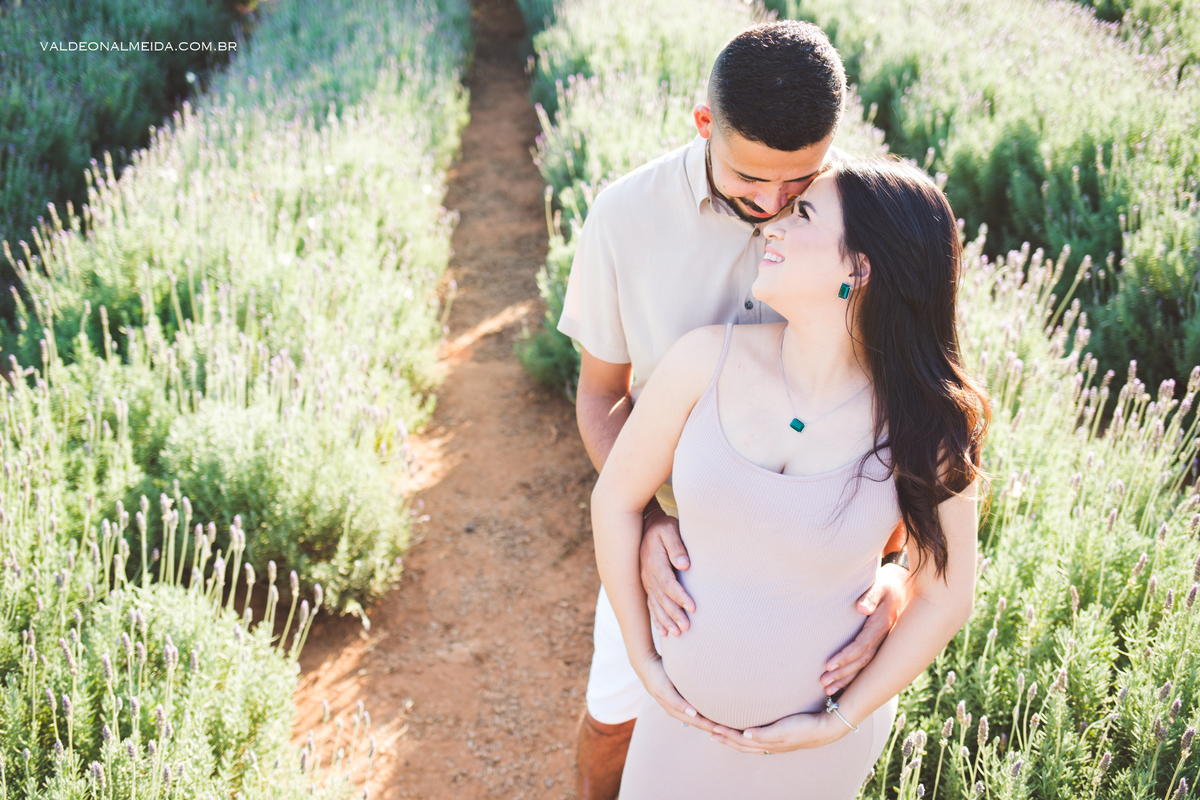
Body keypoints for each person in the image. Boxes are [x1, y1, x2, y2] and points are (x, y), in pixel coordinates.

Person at [557, 21, 912, 799]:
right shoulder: (625, 216)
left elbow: (921, 405)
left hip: (822, 556)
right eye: (751, 178)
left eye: (800, 184)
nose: (773, 204)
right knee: (616, 721)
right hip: (682, 547)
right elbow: (600, 395)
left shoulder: (866, 220)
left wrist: (900, 570)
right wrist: (648, 521)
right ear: (704, 126)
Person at [591, 157, 987, 797]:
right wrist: (644, 661)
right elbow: (614, 500)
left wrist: (837, 723)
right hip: (678, 722)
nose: (772, 224)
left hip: (813, 751)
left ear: (859, 267)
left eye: (801, 212)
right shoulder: (704, 360)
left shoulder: (926, 426)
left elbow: (947, 595)